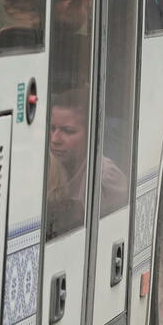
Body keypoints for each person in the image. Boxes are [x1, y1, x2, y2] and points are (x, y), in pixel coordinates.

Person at [46, 87, 128, 239]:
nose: (55, 139)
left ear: (91, 134)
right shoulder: (49, 167)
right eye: (52, 129)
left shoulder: (106, 178)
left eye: (68, 131)